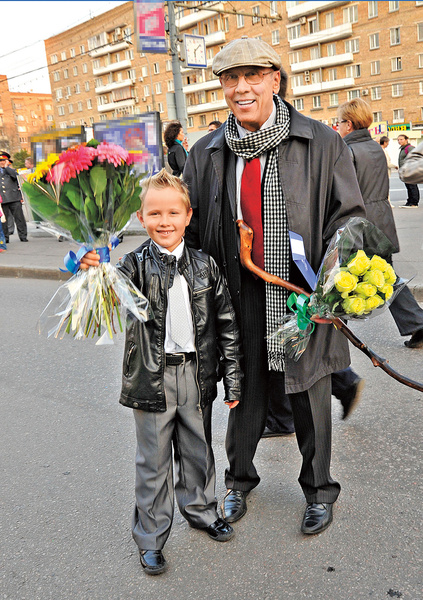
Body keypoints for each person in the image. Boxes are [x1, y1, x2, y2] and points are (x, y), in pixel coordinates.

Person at [183, 36, 366, 535]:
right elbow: (187, 231)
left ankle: (319, 490)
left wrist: (333, 282)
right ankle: (239, 482)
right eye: (230, 79)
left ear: (274, 80)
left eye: (253, 77)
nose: (241, 88)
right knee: (243, 397)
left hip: (302, 298)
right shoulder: (205, 153)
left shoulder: (321, 141)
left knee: (308, 395)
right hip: (235, 299)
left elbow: (348, 218)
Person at [80, 169, 242, 575]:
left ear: (188, 215)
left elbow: (227, 325)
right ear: (141, 217)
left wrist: (233, 379)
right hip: (152, 378)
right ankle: (151, 538)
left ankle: (202, 511)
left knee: (198, 453)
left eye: (173, 212)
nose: (164, 221)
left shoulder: (206, 266)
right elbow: (107, 288)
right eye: (155, 214)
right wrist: (92, 267)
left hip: (196, 374)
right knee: (153, 465)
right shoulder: (134, 265)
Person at [337, 98, 423, 350]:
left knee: (337, 279)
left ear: (349, 124)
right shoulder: (376, 148)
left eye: (340, 121)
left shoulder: (346, 151)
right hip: (381, 219)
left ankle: (328, 341)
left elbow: (343, 192)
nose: (337, 126)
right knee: (386, 277)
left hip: (358, 223)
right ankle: (417, 324)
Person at [0, 151, 28, 242]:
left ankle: (23, 236)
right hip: (2, 199)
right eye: (0, 161)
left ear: (7, 161)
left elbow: (15, 177)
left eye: (3, 160)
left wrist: (7, 167)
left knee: (19, 218)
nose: (1, 162)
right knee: (4, 220)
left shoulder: (11, 170)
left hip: (14, 197)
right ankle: (5, 238)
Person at [397, 135, 420, 207]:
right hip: (405, 171)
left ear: (406, 140)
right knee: (409, 186)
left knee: (412, 186)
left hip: (410, 170)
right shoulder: (403, 149)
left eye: (401, 139)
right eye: (398, 140)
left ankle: (414, 202)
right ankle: (410, 201)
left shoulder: (409, 148)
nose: (399, 141)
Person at [379, 136, 397, 207]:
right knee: (385, 189)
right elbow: (387, 164)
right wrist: (395, 166)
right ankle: (388, 203)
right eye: (388, 142)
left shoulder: (379, 149)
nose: (388, 144)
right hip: (384, 172)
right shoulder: (383, 150)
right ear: (385, 142)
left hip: (381, 172)